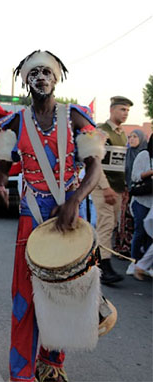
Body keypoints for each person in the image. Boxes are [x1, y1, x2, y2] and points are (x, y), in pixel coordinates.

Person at [0, 50, 104, 382]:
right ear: (26, 80)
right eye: (34, 73)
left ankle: (51, 364)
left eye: (47, 72)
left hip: (69, 216)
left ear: (56, 78)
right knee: (25, 298)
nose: (41, 77)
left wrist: (75, 200)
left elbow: (95, 166)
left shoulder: (77, 117)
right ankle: (21, 374)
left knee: (65, 292)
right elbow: (1, 166)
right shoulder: (13, 123)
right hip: (31, 216)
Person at [90, 96, 133, 284]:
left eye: (127, 111)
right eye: (122, 109)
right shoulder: (102, 132)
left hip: (116, 189)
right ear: (112, 110)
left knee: (110, 226)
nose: (125, 113)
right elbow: (95, 162)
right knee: (106, 226)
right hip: (103, 188)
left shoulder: (122, 134)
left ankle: (95, 262)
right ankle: (103, 267)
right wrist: (106, 187)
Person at [130, 137, 153, 280]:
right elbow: (135, 177)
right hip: (141, 201)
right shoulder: (144, 155)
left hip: (152, 203)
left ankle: (144, 266)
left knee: (150, 235)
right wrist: (151, 172)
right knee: (140, 232)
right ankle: (135, 263)